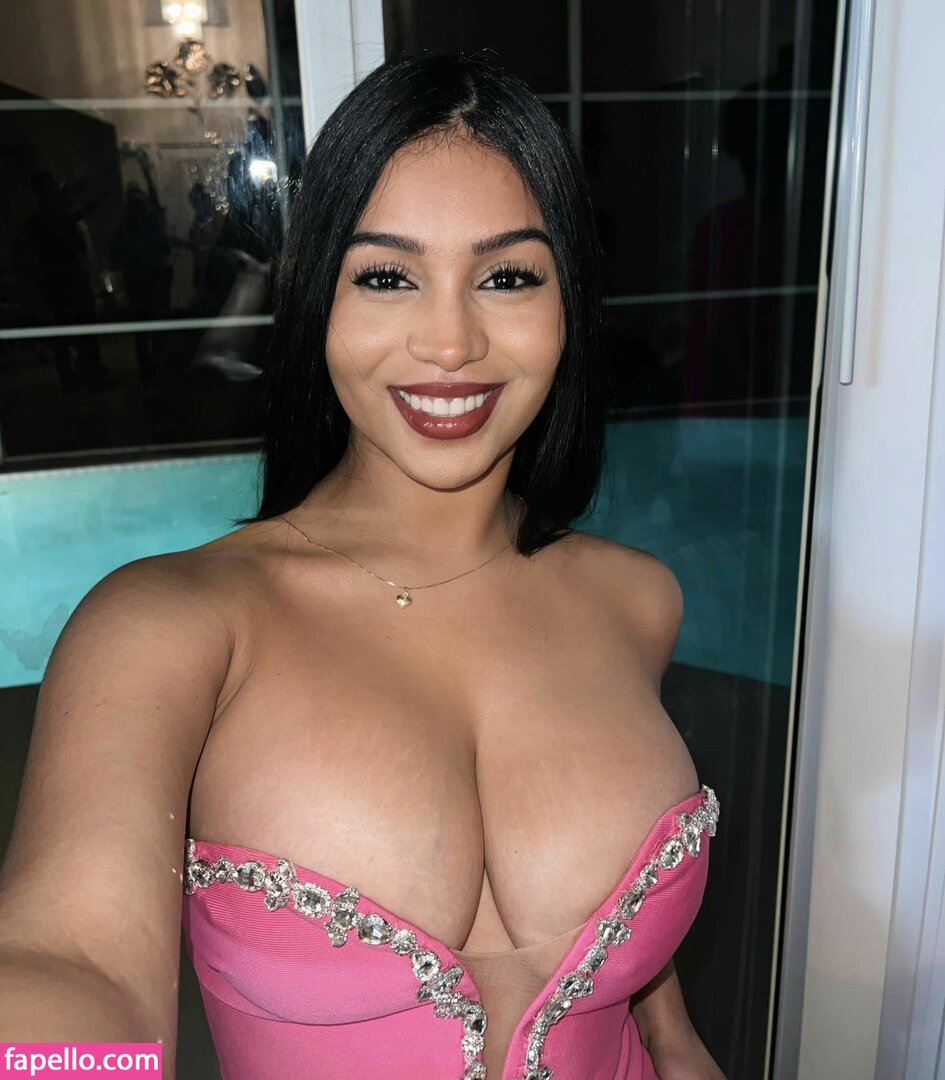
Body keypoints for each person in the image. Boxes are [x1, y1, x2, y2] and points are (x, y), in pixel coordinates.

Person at [0, 52, 725, 1080]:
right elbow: (77, 960)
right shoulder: (170, 627)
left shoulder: (637, 599)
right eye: (386, 276)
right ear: (317, 300)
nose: (450, 342)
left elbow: (635, 954)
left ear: (570, 299)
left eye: (507, 276)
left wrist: (677, 1043)